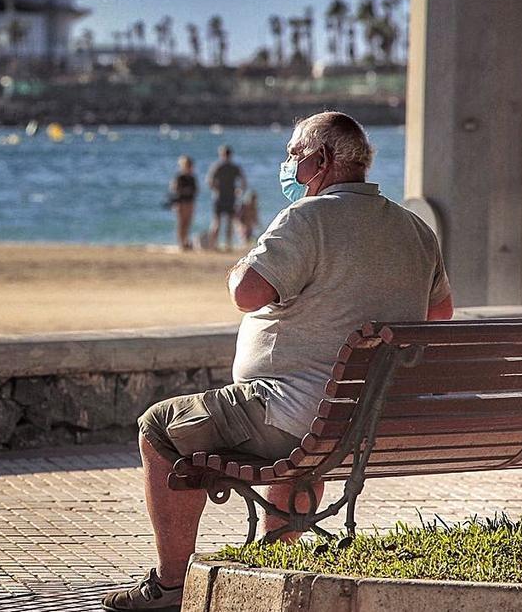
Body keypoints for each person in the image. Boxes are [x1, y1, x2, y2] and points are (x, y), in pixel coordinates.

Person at [102, 112, 454, 611]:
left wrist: (240, 265)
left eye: (293, 153)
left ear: (322, 160)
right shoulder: (414, 228)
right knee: (310, 424)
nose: (287, 163)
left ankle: (171, 584)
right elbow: (440, 313)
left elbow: (248, 294)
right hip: (370, 421)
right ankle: (271, 561)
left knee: (159, 428)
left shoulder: (306, 220)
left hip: (291, 414)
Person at [204, 145, 246, 250]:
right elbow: (244, 182)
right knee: (229, 221)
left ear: (221, 154)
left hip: (219, 196)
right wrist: (239, 191)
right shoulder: (234, 167)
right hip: (231, 196)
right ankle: (228, 244)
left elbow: (209, 181)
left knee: (216, 221)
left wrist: (216, 189)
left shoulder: (218, 166)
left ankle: (213, 245)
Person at [166, 156, 197, 250]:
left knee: (187, 223)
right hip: (181, 202)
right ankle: (181, 243)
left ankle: (185, 241)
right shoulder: (180, 177)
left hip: (190, 202)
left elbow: (196, 190)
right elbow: (174, 188)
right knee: (181, 223)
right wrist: (185, 191)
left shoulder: (192, 177)